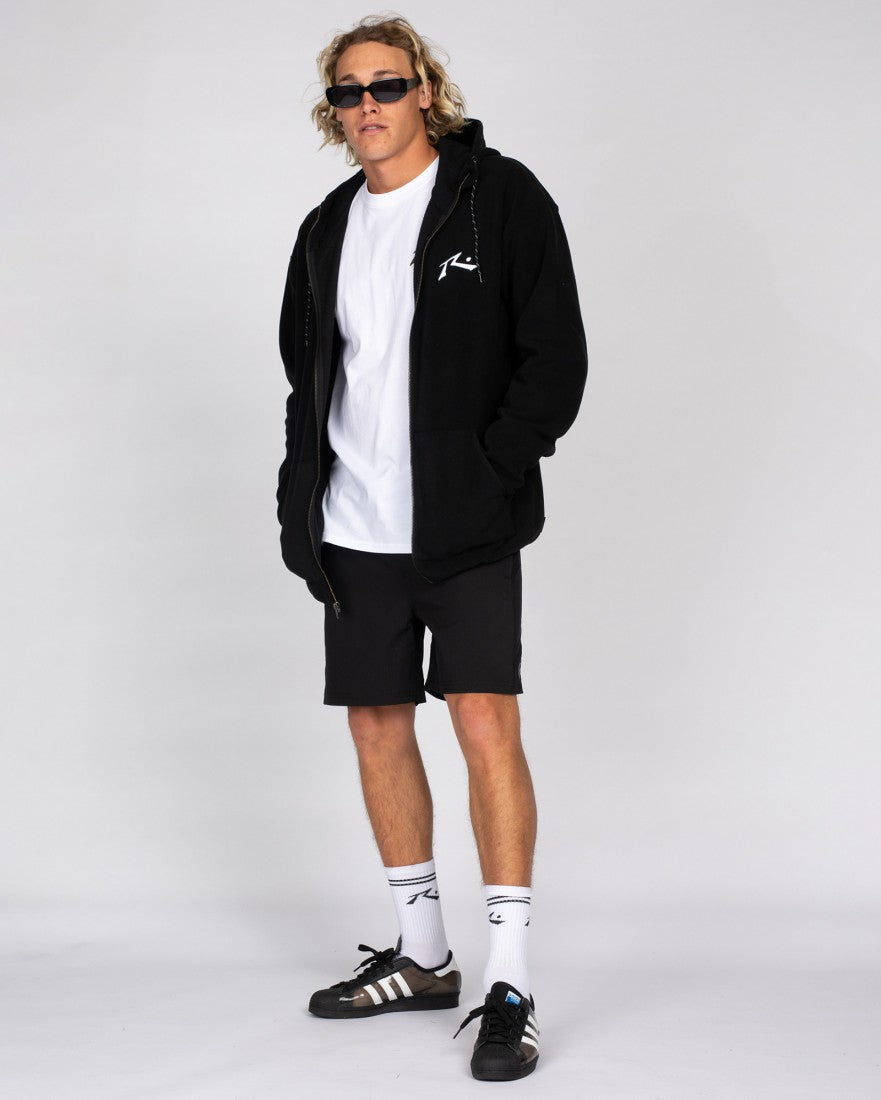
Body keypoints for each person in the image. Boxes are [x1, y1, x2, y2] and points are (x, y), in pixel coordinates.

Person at [276, 14, 587, 1082]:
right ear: (334, 113)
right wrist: (298, 502)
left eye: (385, 84)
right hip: (353, 526)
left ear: (425, 92)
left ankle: (509, 980)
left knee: (484, 722)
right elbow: (308, 377)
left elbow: (553, 357)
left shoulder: (498, 198)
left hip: (463, 524)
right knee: (375, 725)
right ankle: (421, 954)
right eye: (347, 91)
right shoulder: (325, 228)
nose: (366, 104)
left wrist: (489, 472)